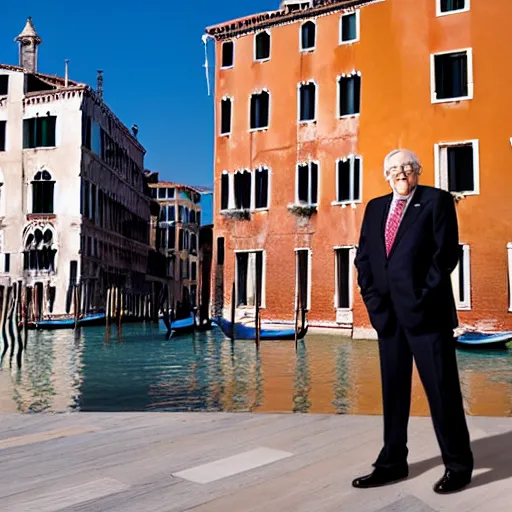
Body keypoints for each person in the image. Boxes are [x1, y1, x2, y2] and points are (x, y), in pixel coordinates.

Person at [353, 149, 473, 494]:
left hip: (427, 316)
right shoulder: (375, 207)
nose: (400, 173)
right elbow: (364, 257)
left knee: (442, 392)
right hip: (387, 317)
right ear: (386, 175)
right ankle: (392, 463)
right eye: (393, 169)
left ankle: (459, 466)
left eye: (407, 167)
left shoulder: (436, 201)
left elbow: (445, 255)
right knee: (393, 393)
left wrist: (422, 296)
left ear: (417, 171)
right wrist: (373, 301)